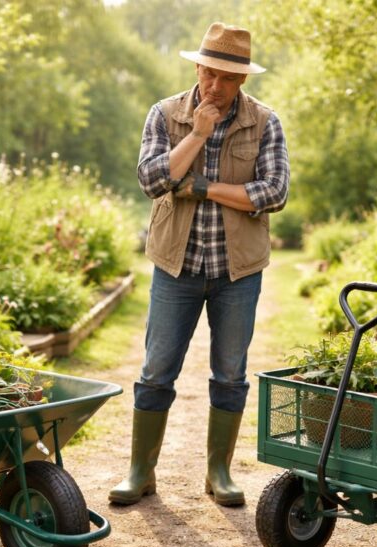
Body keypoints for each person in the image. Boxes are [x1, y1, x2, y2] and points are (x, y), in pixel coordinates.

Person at [109, 22, 290, 507]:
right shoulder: (165, 114)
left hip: (238, 272)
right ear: (197, 67)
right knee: (155, 371)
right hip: (176, 266)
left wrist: (205, 188)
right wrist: (197, 134)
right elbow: (152, 179)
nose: (215, 85)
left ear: (242, 81)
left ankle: (219, 473)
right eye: (209, 73)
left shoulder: (265, 122)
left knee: (230, 373)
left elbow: (273, 192)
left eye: (227, 78)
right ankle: (140, 472)